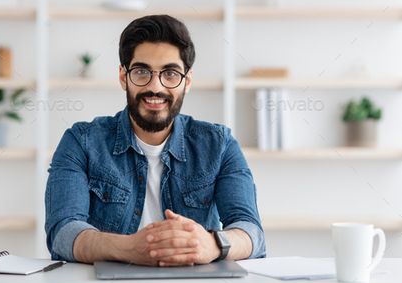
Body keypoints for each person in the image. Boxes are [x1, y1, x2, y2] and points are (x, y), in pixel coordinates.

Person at [45, 14, 266, 267]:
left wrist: (213, 244)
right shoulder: (80, 141)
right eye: (141, 72)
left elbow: (252, 232)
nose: (156, 87)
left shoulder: (220, 144)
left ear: (188, 81)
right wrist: (130, 248)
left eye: (170, 74)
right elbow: (62, 233)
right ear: (123, 76)